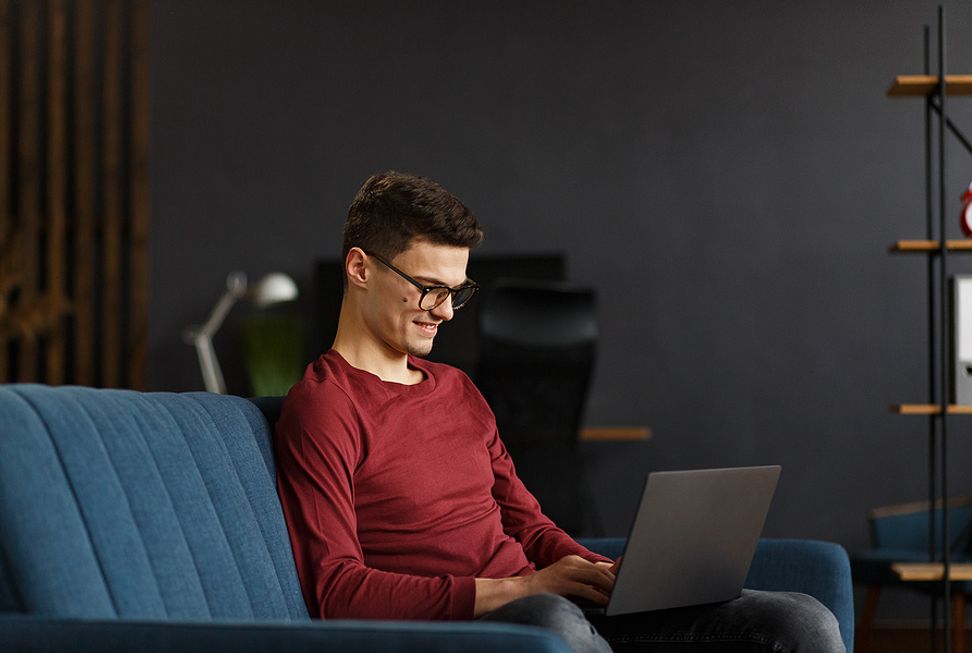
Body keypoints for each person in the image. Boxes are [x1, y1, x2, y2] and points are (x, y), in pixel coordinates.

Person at [274, 171, 845, 653]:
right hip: (484, 625)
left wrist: (600, 574)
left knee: (800, 619)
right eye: (428, 288)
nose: (446, 312)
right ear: (359, 268)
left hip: (548, 606)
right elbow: (337, 589)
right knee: (552, 625)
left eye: (457, 291)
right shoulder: (327, 407)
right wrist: (520, 592)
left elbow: (527, 523)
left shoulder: (458, 389)